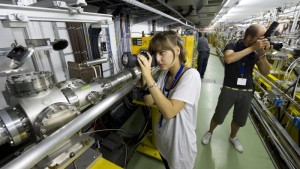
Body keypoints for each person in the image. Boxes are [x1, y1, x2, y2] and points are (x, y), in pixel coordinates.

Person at [201, 24, 271, 153]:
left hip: (246, 91)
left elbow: (266, 72)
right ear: (249, 37)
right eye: (260, 38)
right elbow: (228, 59)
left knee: (239, 119)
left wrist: (262, 56)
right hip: (229, 88)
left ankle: (233, 137)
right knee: (219, 115)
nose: (262, 41)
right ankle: (210, 132)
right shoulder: (232, 45)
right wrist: (252, 49)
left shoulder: (256, 52)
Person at [137, 30, 201, 169]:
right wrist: (144, 75)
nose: (158, 59)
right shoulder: (164, 74)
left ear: (177, 50)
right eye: (155, 54)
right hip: (164, 141)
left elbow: (169, 112)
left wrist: (148, 77)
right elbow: (149, 101)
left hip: (180, 147)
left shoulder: (191, 76)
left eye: (162, 53)